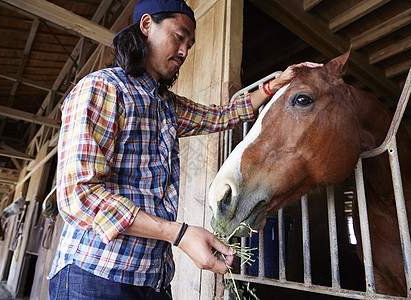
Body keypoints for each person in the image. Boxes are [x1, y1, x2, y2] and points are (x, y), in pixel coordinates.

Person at [48, 0, 322, 299]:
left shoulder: (166, 105)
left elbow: (223, 116)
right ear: (147, 25)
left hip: (153, 280)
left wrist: (275, 85)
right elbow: (78, 195)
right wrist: (178, 234)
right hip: (94, 275)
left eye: (189, 44)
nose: (184, 52)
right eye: (179, 37)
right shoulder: (102, 88)